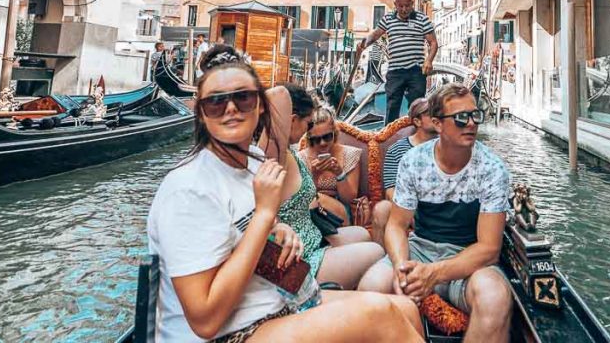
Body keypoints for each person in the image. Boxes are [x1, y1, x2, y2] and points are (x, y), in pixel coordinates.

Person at [147, 44, 422, 342]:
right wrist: (265, 216)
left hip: (275, 305)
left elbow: (248, 241)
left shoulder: (252, 161)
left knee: (405, 308)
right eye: (215, 101)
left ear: (259, 106)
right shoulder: (189, 189)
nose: (230, 108)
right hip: (229, 334)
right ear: (201, 114)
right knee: (379, 315)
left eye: (243, 97)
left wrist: (279, 231)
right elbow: (205, 321)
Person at [358, 83, 512, 343]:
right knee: (371, 287)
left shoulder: (493, 169)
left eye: (475, 115)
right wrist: (401, 267)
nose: (471, 123)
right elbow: (397, 226)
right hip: (419, 250)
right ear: (437, 123)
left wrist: (435, 273)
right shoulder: (414, 161)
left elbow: (489, 248)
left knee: (494, 297)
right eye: (461, 118)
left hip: (468, 259)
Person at [264, 82, 382, 289]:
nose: (313, 137)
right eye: (308, 126)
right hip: (304, 256)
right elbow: (277, 95)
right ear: (291, 120)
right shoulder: (274, 152)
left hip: (314, 235)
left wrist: (339, 173)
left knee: (364, 235)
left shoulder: (287, 152)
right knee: (377, 251)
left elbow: (346, 197)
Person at [356, 0, 438, 124]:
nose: (404, 9)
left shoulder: (422, 19)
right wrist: (364, 43)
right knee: (392, 107)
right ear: (395, 5)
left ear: (412, 4)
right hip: (395, 71)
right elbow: (376, 34)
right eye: (401, 6)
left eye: (407, 6)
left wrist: (429, 60)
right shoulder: (388, 19)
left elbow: (433, 42)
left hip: (416, 70)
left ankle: (416, 135)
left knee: (417, 107)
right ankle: (389, 138)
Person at [371, 97, 439, 247]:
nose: (437, 117)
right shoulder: (396, 150)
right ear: (417, 121)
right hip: (406, 205)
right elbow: (390, 191)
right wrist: (411, 212)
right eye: (431, 114)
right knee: (382, 209)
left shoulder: (446, 147)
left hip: (439, 204)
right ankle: (382, 260)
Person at [299, 107, 366, 224]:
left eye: (327, 137)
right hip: (311, 211)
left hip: (341, 213)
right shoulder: (301, 158)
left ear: (334, 132)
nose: (323, 143)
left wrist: (339, 174)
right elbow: (304, 199)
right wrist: (314, 175)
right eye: (316, 139)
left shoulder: (350, 154)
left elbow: (349, 198)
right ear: (309, 139)